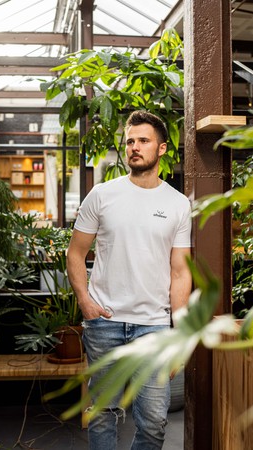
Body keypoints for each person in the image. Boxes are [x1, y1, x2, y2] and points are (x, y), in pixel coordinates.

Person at [66, 110, 192, 450]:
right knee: (103, 412)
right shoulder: (102, 195)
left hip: (153, 327)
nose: (135, 147)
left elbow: (181, 272)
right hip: (104, 323)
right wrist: (85, 301)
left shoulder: (178, 204)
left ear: (162, 149)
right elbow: (75, 253)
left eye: (143, 141)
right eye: (130, 141)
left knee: (153, 421)